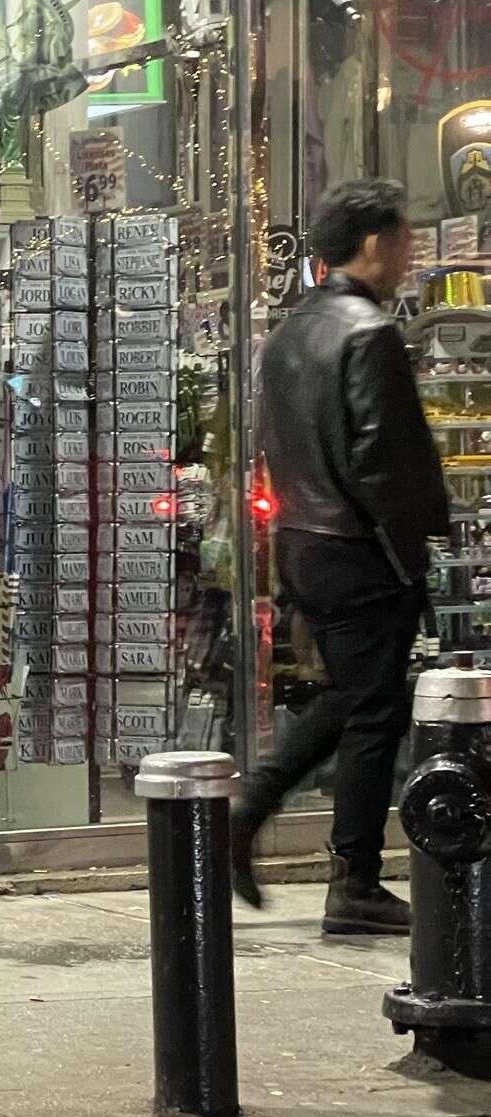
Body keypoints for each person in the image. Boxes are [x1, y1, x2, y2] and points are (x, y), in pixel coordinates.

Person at [232, 178, 447, 935]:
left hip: (303, 541)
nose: (410, 252)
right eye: (405, 237)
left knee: (351, 696)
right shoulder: (369, 333)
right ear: (374, 243)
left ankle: (252, 811)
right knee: (375, 711)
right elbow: (382, 462)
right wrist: (409, 553)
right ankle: (352, 879)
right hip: (358, 547)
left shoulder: (291, 332)